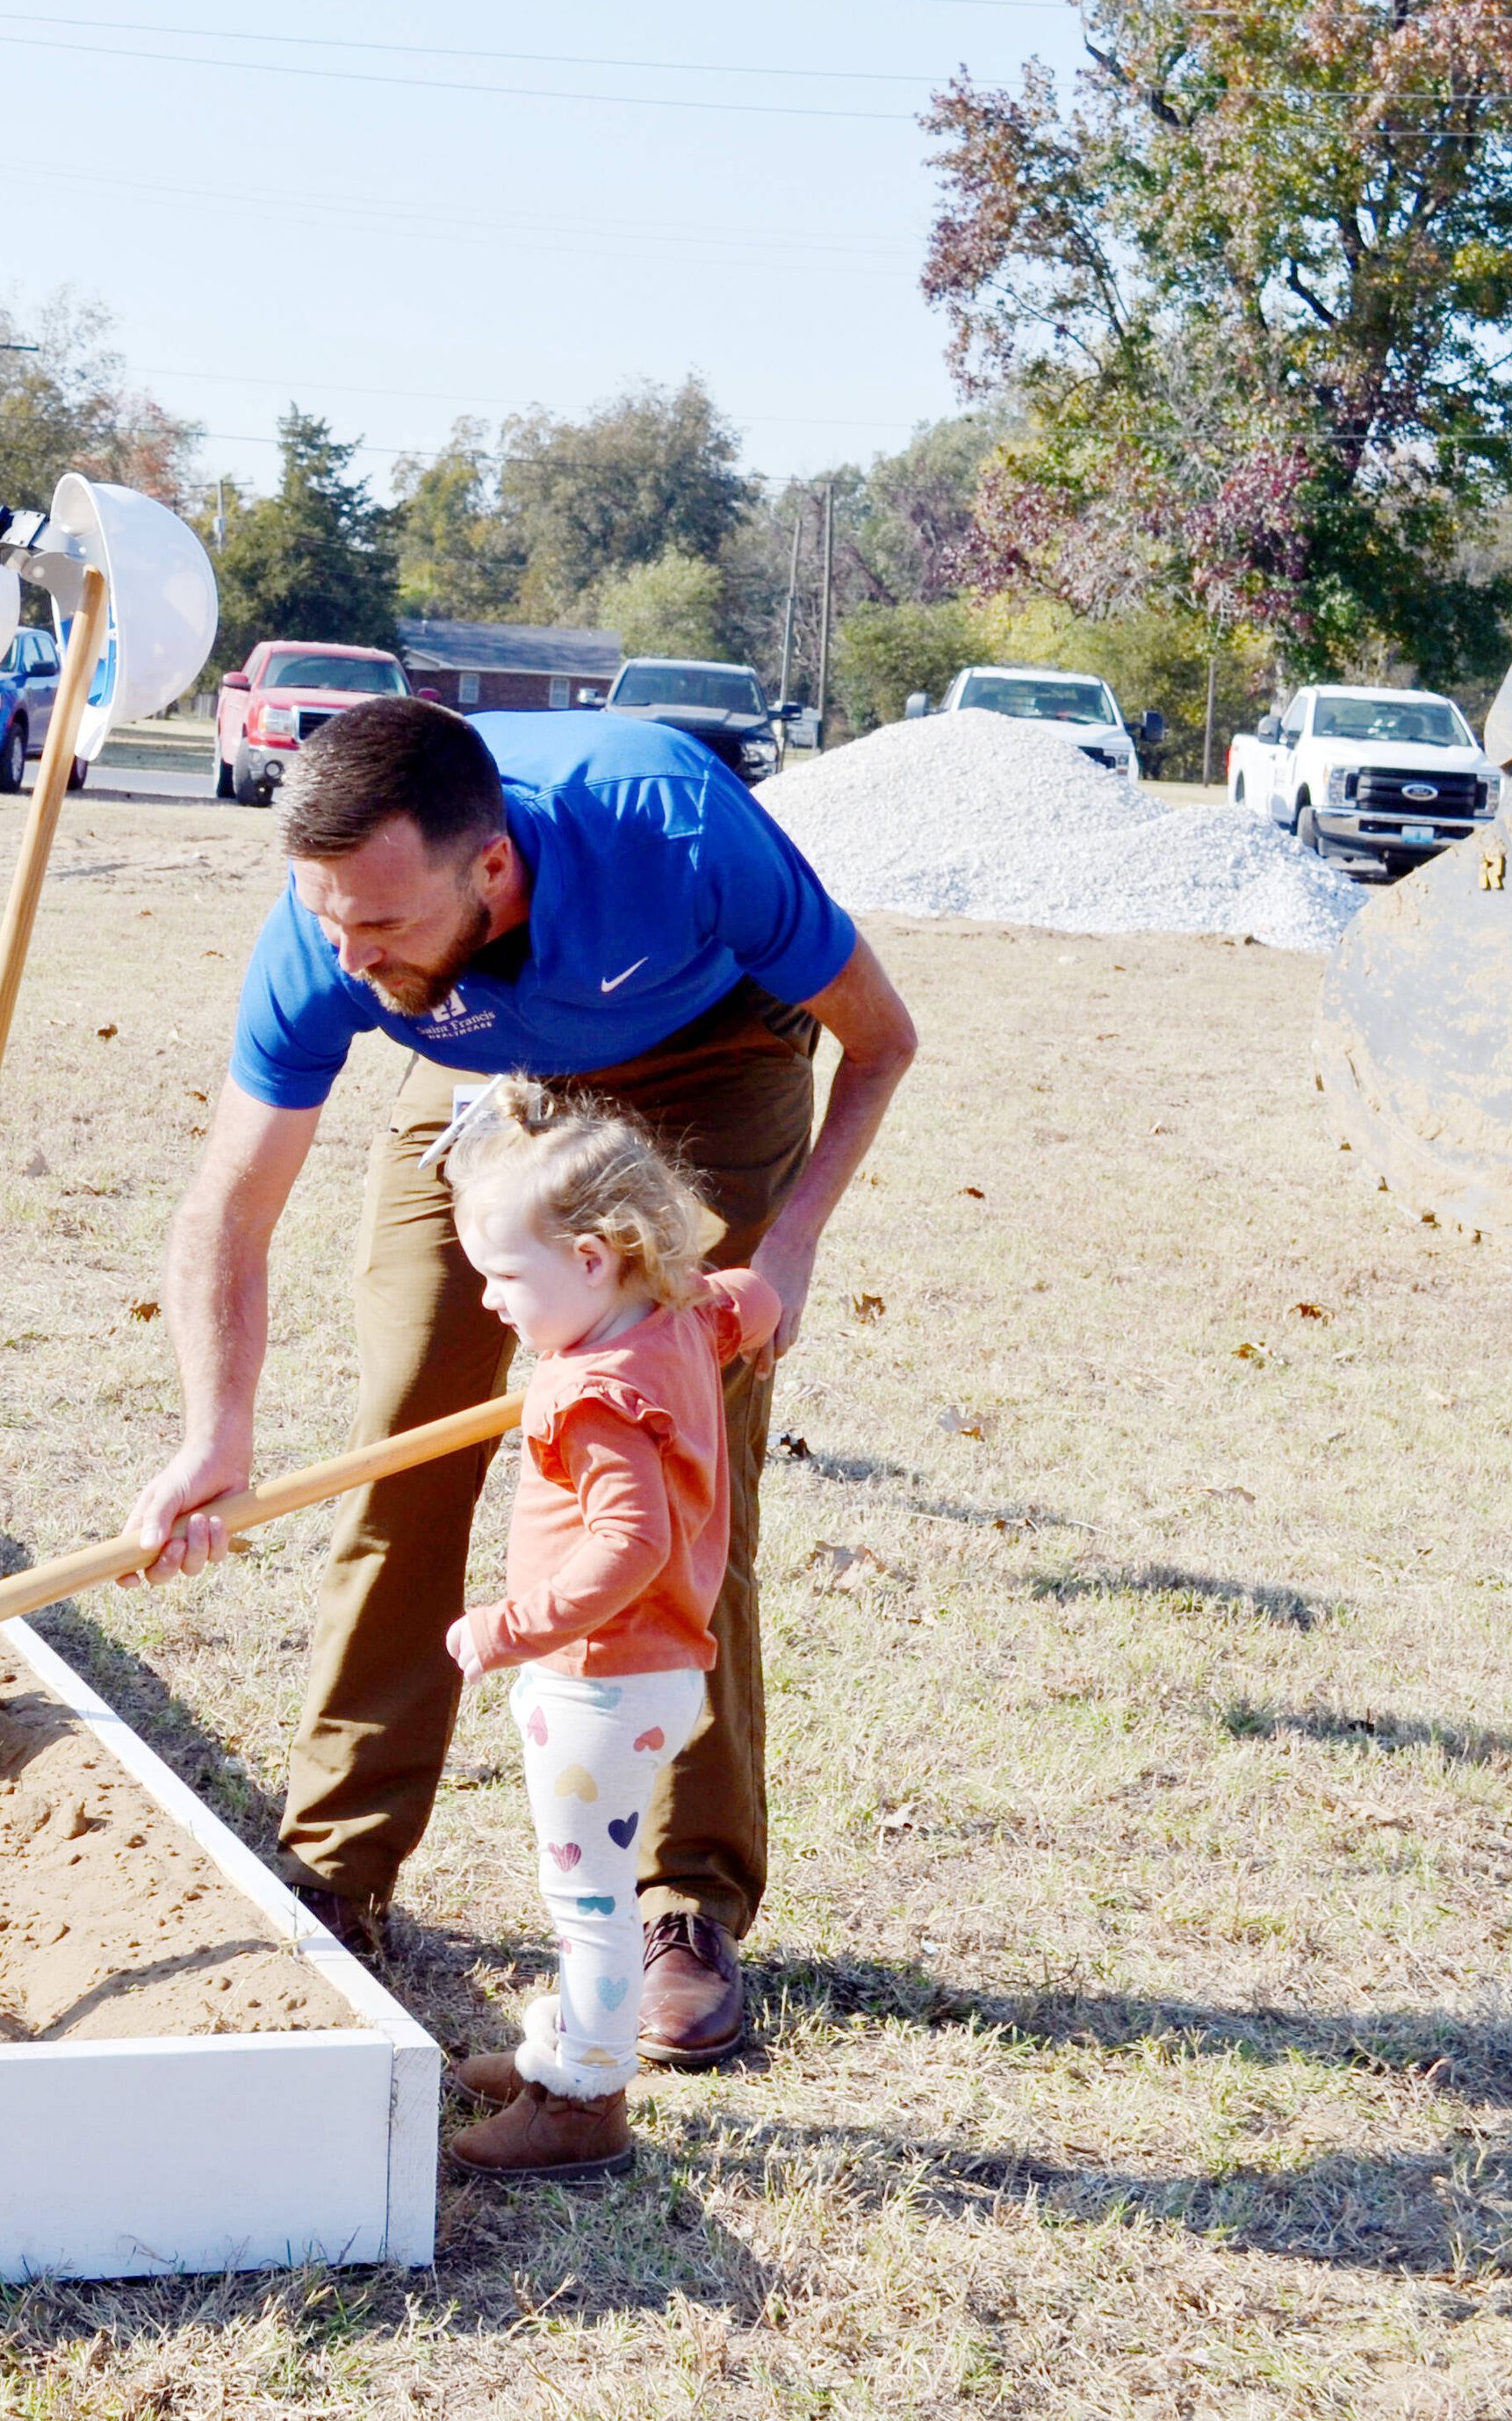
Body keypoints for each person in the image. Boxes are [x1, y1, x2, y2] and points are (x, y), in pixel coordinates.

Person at [126, 695, 917, 2066]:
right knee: (406, 1440)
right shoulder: (339, 944)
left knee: (670, 1467)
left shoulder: (672, 826)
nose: (349, 957)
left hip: (711, 1058)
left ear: (490, 869)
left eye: (380, 925)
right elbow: (229, 1206)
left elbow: (883, 1037)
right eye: (329, 925)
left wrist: (784, 1250)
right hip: (490, 1079)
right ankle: (339, 1865)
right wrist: (218, 1429)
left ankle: (686, 1902)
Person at [432, 1082, 778, 2180]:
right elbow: (751, 1297)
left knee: (588, 1902)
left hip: (597, 1679)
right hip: (659, 1672)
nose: (489, 1301)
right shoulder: (681, 1318)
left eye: (503, 1276)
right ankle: (560, 2046)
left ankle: (582, 2100)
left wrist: (507, 1627)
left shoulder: (585, 1395)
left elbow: (624, 1546)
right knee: (595, 1886)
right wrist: (758, 1319)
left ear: (591, 1258)